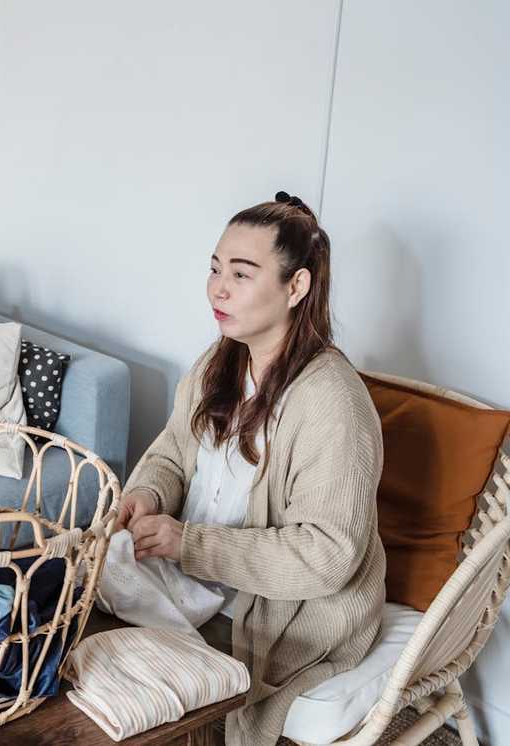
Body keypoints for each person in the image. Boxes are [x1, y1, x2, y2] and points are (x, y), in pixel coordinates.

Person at [115, 191, 386, 745]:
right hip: (195, 575)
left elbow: (328, 555)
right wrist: (147, 494)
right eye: (215, 269)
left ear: (296, 287)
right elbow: (172, 451)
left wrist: (188, 544)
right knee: (61, 593)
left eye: (241, 274)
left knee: (130, 671)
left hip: (282, 609)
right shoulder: (219, 361)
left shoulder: (332, 401)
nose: (218, 287)